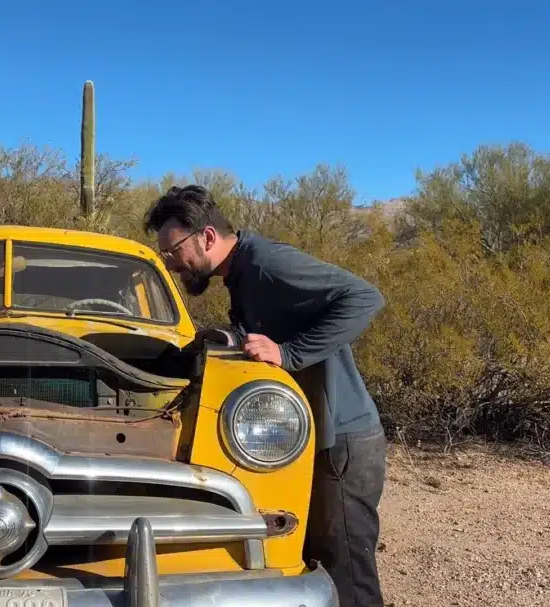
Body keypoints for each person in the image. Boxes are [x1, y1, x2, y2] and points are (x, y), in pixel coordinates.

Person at [143, 184, 387, 607]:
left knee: (347, 569)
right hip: (315, 439)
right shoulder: (241, 276)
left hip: (343, 441)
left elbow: (364, 297)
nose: (171, 264)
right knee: (312, 559)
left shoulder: (265, 262)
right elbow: (268, 327)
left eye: (173, 251)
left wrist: (289, 354)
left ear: (207, 237)